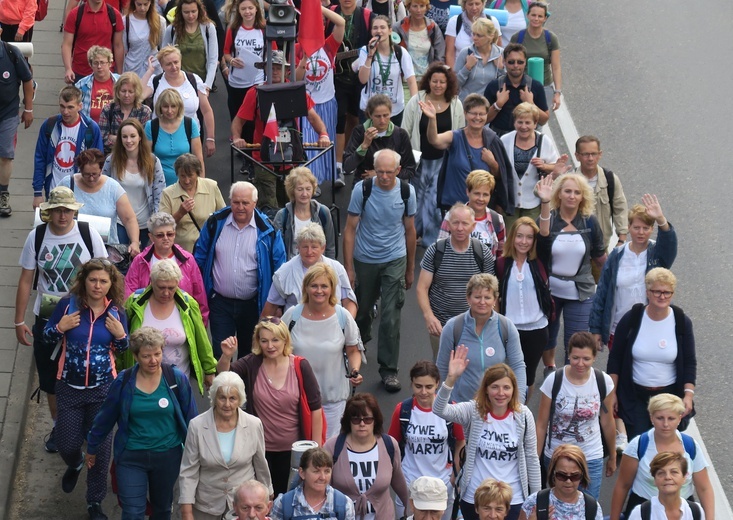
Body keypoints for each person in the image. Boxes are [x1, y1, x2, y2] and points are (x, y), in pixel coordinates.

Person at [14, 187, 107, 454]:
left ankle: (91, 426)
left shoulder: (88, 234)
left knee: (90, 371)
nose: (62, 215)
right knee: (50, 377)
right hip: (47, 316)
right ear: (49, 212)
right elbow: (25, 280)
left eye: (67, 210)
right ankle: (60, 426)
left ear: (74, 211)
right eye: (57, 210)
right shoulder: (37, 236)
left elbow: (104, 274)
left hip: (86, 315)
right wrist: (19, 321)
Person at [43, 258, 129, 520]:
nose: (98, 285)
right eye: (93, 280)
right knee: (67, 444)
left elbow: (123, 351)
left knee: (101, 451)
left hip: (103, 390)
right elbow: (46, 336)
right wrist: (60, 327)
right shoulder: (67, 306)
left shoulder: (116, 312)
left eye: (103, 281)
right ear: (84, 281)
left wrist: (121, 336)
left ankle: (94, 502)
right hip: (69, 387)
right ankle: (76, 462)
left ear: (110, 284)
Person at [85, 326, 197, 520]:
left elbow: (192, 420)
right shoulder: (124, 381)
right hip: (131, 457)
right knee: (132, 513)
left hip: (168, 456)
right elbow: (105, 417)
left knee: (162, 510)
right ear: (136, 356)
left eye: (157, 354)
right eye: (146, 356)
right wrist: (92, 447)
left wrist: (198, 454)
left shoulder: (176, 379)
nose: (153, 361)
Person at [216, 318, 323, 496]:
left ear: (285, 340)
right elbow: (224, 376)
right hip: (259, 449)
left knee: (289, 498)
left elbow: (316, 408)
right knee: (262, 498)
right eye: (264, 340)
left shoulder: (300, 365)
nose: (270, 346)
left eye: (275, 340)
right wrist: (226, 356)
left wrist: (316, 448)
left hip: (293, 451)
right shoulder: (252, 363)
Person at [343, 149, 417, 392]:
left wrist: (409, 269)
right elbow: (350, 229)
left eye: (389, 172)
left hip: (394, 257)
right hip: (365, 258)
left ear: (398, 170)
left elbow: (410, 231)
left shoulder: (407, 192)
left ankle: (389, 370)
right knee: (362, 311)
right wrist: (349, 269)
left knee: (390, 316)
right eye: (380, 172)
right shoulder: (362, 190)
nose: (384, 177)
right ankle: (359, 343)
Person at [435, 358, 540, 520]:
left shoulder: (524, 416)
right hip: (475, 497)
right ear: (486, 389)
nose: (501, 393)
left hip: (513, 500)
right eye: (495, 387)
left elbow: (532, 458)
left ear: (513, 390)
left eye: (506, 387)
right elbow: (438, 409)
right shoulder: (473, 411)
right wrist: (451, 378)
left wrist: (535, 498)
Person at [195, 181, 286, 358]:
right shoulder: (215, 223)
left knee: (250, 355)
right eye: (236, 202)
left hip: (253, 305)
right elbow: (199, 257)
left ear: (255, 203)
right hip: (220, 303)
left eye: (245, 203)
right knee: (220, 354)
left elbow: (280, 270)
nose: (240, 207)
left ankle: (246, 387)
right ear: (230, 201)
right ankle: (220, 386)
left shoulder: (269, 230)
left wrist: (277, 304)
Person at [230, 50, 330, 209]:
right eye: (271, 67)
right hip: (263, 161)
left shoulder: (296, 92)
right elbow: (238, 121)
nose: (275, 71)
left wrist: (323, 135)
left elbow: (312, 116)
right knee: (268, 208)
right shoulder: (255, 93)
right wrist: (237, 138)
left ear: (286, 70)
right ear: (265, 69)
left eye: (278, 67)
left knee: (292, 208)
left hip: (292, 162)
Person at [607, 268, 697, 440]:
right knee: (640, 445)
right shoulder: (631, 319)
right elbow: (615, 359)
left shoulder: (681, 321)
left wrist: (688, 395)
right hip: (636, 396)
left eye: (667, 292)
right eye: (657, 291)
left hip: (668, 398)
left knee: (665, 452)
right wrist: (612, 394)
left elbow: (690, 362)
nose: (662, 296)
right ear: (647, 292)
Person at [282, 263, 363, 440]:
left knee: (327, 452)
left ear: (332, 289)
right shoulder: (292, 316)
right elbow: (276, 349)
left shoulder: (343, 317)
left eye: (324, 286)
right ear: (306, 288)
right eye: (314, 286)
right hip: (296, 399)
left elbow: (353, 350)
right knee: (299, 450)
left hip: (332, 400)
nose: (319, 291)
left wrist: (354, 370)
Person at [535, 173, 606, 374]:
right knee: (548, 336)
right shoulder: (549, 218)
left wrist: (613, 280)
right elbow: (542, 238)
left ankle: (571, 376)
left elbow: (600, 256)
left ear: (583, 196)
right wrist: (545, 202)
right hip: (550, 291)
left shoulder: (590, 222)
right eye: (567, 191)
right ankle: (550, 369)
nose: (572, 196)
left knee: (577, 341)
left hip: (581, 291)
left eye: (577, 192)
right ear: (559, 194)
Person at [179, 371, 274, 519]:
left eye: (233, 398)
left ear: (240, 399)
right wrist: (186, 511)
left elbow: (261, 463)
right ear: (215, 398)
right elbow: (188, 471)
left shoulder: (254, 424)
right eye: (222, 398)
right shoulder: (197, 426)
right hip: (206, 506)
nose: (227, 404)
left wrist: (268, 497)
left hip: (244, 507)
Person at [536, 332, 617, 500]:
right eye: (575, 358)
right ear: (568, 355)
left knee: (588, 506)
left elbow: (607, 422)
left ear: (594, 357)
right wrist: (535, 458)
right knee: (557, 506)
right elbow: (542, 424)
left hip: (591, 455)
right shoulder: (554, 380)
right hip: (556, 455)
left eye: (586, 359)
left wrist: (613, 456)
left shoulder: (604, 381)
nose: (580, 363)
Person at [591, 196, 677, 351]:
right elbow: (602, 294)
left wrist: (661, 219)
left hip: (650, 328)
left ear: (652, 229)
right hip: (618, 329)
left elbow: (670, 245)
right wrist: (596, 329)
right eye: (636, 227)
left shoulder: (657, 254)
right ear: (629, 227)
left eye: (646, 228)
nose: (641, 232)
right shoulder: (617, 256)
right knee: (619, 373)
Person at [610, 394, 714, 520]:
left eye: (671, 418)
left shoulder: (691, 446)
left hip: (682, 511)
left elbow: (704, 488)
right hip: (644, 510)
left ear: (679, 418)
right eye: (660, 418)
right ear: (651, 417)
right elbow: (623, 485)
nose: (665, 424)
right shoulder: (638, 445)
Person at [387, 361, 466, 520]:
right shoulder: (403, 410)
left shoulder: (450, 409)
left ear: (437, 384)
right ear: (412, 384)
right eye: (418, 386)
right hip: (410, 483)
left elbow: (460, 442)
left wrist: (454, 476)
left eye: (429, 387)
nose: (423, 392)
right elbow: (391, 445)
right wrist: (397, 476)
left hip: (442, 484)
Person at [417, 204, 495, 359]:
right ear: (448, 225)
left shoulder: (482, 252)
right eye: (455, 223)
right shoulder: (436, 251)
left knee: (473, 370)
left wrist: (493, 323)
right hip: (441, 327)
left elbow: (491, 292)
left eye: (465, 223)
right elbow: (422, 288)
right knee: (442, 369)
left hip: (474, 326)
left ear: (473, 226)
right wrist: (429, 317)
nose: (460, 228)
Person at [436, 274, 527, 405]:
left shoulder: (506, 327)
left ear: (495, 299)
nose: (482, 302)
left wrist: (518, 404)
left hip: (496, 406)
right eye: (477, 297)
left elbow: (518, 366)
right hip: (460, 406)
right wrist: (443, 404)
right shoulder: (452, 327)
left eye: (487, 297)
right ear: (468, 298)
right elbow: (442, 368)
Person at [402, 63, 464, 245]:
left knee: (434, 200)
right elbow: (406, 129)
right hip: (419, 159)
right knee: (417, 198)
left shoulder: (455, 104)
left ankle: (431, 239)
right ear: (428, 81)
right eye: (434, 81)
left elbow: (459, 132)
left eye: (442, 82)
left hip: (443, 161)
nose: (438, 85)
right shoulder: (417, 100)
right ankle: (415, 234)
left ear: (448, 83)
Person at [422, 94, 512, 214]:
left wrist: (492, 163)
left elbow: (501, 177)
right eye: (473, 113)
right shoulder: (455, 137)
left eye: (482, 114)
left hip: (480, 209)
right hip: (454, 207)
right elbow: (434, 140)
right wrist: (432, 119)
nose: (477, 117)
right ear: (465, 113)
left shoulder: (492, 140)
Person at [324, 393, 410, 518]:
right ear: (349, 421)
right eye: (356, 419)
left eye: (368, 419)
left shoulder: (389, 445)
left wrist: (410, 510)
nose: (362, 424)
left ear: (375, 421)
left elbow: (398, 482)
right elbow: (322, 487)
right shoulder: (332, 446)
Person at [494, 217, 551, 397]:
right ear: (512, 238)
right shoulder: (502, 263)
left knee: (527, 378)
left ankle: (521, 415)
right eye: (519, 236)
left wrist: (545, 202)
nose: (524, 242)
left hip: (536, 330)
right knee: (506, 376)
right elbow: (495, 296)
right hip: (510, 330)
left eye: (529, 237)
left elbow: (545, 234)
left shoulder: (540, 260)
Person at [125, 212, 210, 324]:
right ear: (151, 237)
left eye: (169, 234)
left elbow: (199, 295)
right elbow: (129, 295)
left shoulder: (188, 259)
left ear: (174, 234)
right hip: (147, 322)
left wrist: (200, 324)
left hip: (182, 321)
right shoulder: (140, 261)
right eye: (160, 235)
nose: (166, 238)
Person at [294, 5, 346, 186]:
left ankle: (327, 176)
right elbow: (295, 80)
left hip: (327, 103)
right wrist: (303, 60)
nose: (319, 27)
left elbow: (341, 23)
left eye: (321, 24)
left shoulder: (329, 45)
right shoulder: (296, 48)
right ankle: (310, 183)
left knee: (325, 142)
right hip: (307, 106)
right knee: (308, 145)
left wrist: (316, 7)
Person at [325, 0, 375, 182]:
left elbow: (373, 45)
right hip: (334, 77)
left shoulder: (368, 16)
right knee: (339, 117)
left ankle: (346, 154)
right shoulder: (330, 13)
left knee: (354, 118)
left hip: (359, 79)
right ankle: (338, 165)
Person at [263, 223, 357, 317]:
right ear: (298, 247)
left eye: (314, 247)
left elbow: (349, 302)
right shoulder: (284, 272)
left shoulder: (337, 269)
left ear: (323, 248)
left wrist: (347, 325)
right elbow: (270, 307)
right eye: (305, 247)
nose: (309, 252)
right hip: (297, 329)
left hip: (333, 326)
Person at [33, 86, 103, 208]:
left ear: (80, 106)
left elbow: (98, 164)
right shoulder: (49, 125)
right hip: (53, 191)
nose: (65, 112)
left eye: (70, 107)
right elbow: (40, 158)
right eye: (62, 106)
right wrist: (37, 192)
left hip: (81, 192)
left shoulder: (91, 129)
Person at [60, 148, 141, 254]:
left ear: (101, 170)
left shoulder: (112, 187)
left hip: (106, 250)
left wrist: (134, 242)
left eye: (95, 174)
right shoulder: (67, 184)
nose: (91, 178)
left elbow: (129, 218)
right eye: (86, 174)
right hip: (73, 249)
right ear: (80, 170)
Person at [142, 45, 216, 158]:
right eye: (168, 64)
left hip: (190, 137)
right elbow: (139, 96)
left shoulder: (193, 80)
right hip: (162, 138)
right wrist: (150, 71)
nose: (174, 67)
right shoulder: (156, 81)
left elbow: (206, 111)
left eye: (176, 62)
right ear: (161, 66)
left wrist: (210, 138)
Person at [102, 119, 165, 248]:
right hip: (119, 221)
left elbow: (159, 193)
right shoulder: (111, 161)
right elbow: (103, 188)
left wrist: (156, 222)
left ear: (140, 137)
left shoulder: (153, 161)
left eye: (132, 136)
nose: (129, 141)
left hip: (145, 222)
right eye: (124, 137)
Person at [500, 102, 565, 230]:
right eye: (520, 122)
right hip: (510, 203)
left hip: (534, 203)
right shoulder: (505, 140)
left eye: (528, 122)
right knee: (510, 239)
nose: (523, 126)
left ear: (535, 124)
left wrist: (545, 166)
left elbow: (555, 166)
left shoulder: (543, 141)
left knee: (530, 238)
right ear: (514, 123)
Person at [574, 135, 629, 277]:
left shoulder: (610, 179)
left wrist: (621, 239)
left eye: (594, 154)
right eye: (585, 154)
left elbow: (620, 208)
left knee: (603, 290)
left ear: (600, 154)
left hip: (601, 249)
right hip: (574, 250)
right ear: (577, 156)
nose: (590, 158)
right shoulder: (569, 180)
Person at [354, 15, 417, 126]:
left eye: (382, 27)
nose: (379, 31)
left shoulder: (400, 52)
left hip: (394, 111)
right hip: (369, 110)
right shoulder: (365, 50)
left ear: (390, 31)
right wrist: (370, 56)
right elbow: (362, 80)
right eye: (375, 28)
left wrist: (414, 105)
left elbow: (411, 81)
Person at [343, 94, 416, 183]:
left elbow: (410, 170)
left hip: (391, 188)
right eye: (378, 116)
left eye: (385, 115)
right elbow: (347, 167)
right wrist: (364, 146)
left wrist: (379, 174)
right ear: (370, 114)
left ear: (391, 113)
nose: (382, 120)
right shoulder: (359, 132)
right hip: (365, 186)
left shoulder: (400, 134)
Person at [160, 153, 225, 252]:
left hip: (207, 250)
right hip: (181, 252)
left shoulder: (211, 186)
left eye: (190, 175)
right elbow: (162, 227)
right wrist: (180, 213)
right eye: (182, 176)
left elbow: (223, 216)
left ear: (198, 173)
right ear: (177, 174)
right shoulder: (168, 193)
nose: (186, 181)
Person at [519, 444, 603, 520]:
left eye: (575, 476)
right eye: (562, 475)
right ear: (553, 473)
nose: (568, 481)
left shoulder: (592, 507)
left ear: (582, 475)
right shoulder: (534, 502)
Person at [270, 447, 356, 519]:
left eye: (327, 471)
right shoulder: (283, 504)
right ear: (302, 473)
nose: (322, 477)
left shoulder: (345, 504)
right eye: (316, 471)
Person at [437, 169, 506, 259]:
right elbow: (440, 248)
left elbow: (502, 254)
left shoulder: (497, 220)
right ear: (468, 192)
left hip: (487, 272)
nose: (481, 199)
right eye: (477, 193)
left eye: (485, 195)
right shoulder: (452, 216)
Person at [0, 32, 33, 217]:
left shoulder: (11, 53)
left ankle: (2, 194)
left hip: (7, 114)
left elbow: (27, 81)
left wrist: (28, 109)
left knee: (5, 155)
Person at [484, 43, 549, 137]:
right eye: (511, 62)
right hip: (499, 139)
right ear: (504, 62)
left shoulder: (535, 86)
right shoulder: (494, 86)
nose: (515, 65)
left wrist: (531, 104)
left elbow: (544, 120)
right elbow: (483, 119)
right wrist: (498, 105)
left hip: (526, 138)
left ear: (525, 62)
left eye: (520, 62)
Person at [272, 167, 337, 260]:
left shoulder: (323, 212)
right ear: (292, 191)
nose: (304, 194)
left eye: (308, 189)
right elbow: (277, 250)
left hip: (318, 270)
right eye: (300, 189)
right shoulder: (282, 216)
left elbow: (330, 247)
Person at [146, 88, 206, 185]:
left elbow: (198, 159)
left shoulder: (190, 124)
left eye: (173, 106)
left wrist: (202, 184)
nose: (170, 111)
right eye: (165, 106)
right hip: (159, 184)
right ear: (160, 107)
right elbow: (146, 158)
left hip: (187, 183)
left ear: (179, 107)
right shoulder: (151, 126)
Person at [510, 2, 561, 112]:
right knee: (522, 120)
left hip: (544, 86)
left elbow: (556, 67)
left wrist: (557, 92)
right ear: (527, 15)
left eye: (540, 16)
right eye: (533, 15)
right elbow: (509, 63)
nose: (536, 19)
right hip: (521, 86)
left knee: (539, 121)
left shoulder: (550, 38)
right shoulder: (518, 37)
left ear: (545, 18)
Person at [627, 452, 707, 520]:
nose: (668, 477)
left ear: (684, 477)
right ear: (655, 480)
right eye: (661, 473)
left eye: (674, 472)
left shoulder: (696, 511)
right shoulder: (641, 513)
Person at [221, 0, 266, 121]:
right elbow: (226, 52)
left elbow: (274, 53)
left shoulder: (263, 29)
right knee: (238, 115)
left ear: (256, 9)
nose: (247, 12)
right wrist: (231, 61)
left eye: (250, 8)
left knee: (255, 117)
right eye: (243, 9)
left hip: (258, 79)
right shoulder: (233, 29)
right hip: (237, 80)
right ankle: (237, 137)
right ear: (238, 11)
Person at [61, 0, 124, 83]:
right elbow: (67, 44)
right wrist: (68, 69)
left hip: (106, 73)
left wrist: (119, 73)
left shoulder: (114, 15)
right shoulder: (75, 14)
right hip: (81, 73)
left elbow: (118, 45)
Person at [162, 0, 219, 91]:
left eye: (193, 11)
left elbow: (213, 59)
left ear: (199, 11)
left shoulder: (209, 28)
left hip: (201, 82)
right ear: (180, 12)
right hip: (178, 82)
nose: (190, 16)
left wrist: (207, 85)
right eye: (186, 12)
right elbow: (163, 55)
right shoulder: (172, 29)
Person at [98, 72, 153, 155]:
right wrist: (130, 142)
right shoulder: (108, 109)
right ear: (117, 91)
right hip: (112, 157)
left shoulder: (145, 111)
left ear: (137, 92)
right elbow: (102, 139)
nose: (126, 95)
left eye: (131, 92)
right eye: (123, 91)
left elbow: (144, 142)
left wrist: (115, 138)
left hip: (136, 158)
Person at [393, 0, 445, 85]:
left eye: (422, 6)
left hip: (427, 81)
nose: (418, 10)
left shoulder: (433, 27)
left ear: (426, 7)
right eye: (415, 6)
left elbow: (439, 57)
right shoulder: (398, 27)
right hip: (404, 81)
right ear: (409, 7)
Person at [454, 18, 503, 103]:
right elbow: (455, 84)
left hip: (490, 107)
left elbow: (506, 84)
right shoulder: (465, 52)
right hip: (467, 105)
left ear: (490, 36)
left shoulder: (501, 53)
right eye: (473, 34)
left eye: (479, 35)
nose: (474, 38)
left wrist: (501, 68)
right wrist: (467, 67)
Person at [444, 0, 501, 68]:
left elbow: (498, 50)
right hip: (460, 70)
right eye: (470, 4)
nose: (474, 8)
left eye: (477, 4)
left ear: (483, 4)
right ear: (464, 5)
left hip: (486, 71)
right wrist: (452, 75)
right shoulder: (454, 21)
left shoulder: (493, 21)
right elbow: (449, 54)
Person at [122, 0, 166, 78]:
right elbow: (123, 48)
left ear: (151, 3)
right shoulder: (126, 21)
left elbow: (163, 47)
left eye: (145, 4)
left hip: (154, 69)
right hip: (132, 68)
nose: (142, 8)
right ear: (134, 3)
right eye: (139, 4)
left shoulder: (160, 21)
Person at [75, 46, 119, 123]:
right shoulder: (81, 85)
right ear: (90, 64)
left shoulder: (120, 81)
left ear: (110, 63)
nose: (99, 66)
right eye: (95, 63)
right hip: (89, 129)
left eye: (102, 62)